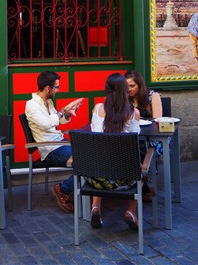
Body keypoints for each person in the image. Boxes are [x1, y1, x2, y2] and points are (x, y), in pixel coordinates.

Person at [25, 71, 84, 213]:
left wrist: (67, 113)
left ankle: (84, 193)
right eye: (57, 87)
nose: (58, 90)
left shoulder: (49, 102)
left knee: (90, 152)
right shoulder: (32, 105)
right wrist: (63, 110)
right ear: (48, 88)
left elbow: (58, 121)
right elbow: (46, 124)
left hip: (59, 142)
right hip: (50, 149)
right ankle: (63, 189)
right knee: (87, 159)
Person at [89, 73, 141, 230]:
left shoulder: (97, 108)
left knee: (100, 159)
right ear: (125, 90)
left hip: (97, 178)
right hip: (125, 178)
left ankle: (95, 207)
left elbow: (93, 130)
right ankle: (131, 211)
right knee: (138, 167)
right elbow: (135, 140)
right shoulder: (133, 113)